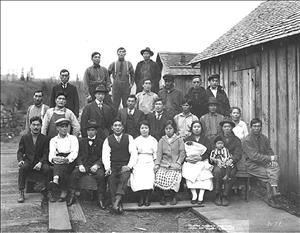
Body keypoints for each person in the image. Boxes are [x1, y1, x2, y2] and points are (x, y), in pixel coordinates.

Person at [242, 118, 281, 208]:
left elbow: (269, 150)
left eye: (259, 126)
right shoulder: (247, 140)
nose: (257, 128)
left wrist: (272, 160)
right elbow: (254, 156)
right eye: (254, 126)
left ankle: (273, 193)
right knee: (269, 175)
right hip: (252, 165)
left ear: (261, 127)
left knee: (276, 167)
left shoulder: (264, 138)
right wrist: (270, 158)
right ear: (251, 127)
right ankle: (271, 197)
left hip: (263, 163)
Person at [102, 119, 138, 214]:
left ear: (122, 127)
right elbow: (105, 155)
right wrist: (107, 168)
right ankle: (117, 203)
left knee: (124, 178)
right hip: (113, 165)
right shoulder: (108, 139)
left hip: (125, 165)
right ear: (112, 128)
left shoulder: (129, 138)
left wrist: (129, 166)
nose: (117, 127)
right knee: (111, 179)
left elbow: (134, 153)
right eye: (115, 125)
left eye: (119, 125)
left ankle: (116, 203)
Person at [67, 120, 106, 208]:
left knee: (101, 176)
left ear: (96, 131)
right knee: (74, 174)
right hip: (84, 165)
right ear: (86, 131)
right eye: (89, 130)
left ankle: (100, 198)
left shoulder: (101, 142)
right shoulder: (81, 141)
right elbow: (78, 154)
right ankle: (71, 196)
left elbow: (103, 156)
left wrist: (97, 165)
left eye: (93, 130)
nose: (90, 132)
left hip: (95, 166)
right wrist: (80, 165)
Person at [17, 116, 50, 203]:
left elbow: (46, 153)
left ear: (41, 126)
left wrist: (41, 162)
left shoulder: (45, 138)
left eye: (38, 125)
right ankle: (21, 191)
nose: (36, 127)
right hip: (28, 161)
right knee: (22, 168)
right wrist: (20, 160)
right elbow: (20, 151)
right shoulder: (25, 137)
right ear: (30, 126)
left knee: (47, 169)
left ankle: (46, 191)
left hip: (40, 161)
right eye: (34, 125)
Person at [154, 120, 186, 205]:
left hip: (175, 164)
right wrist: (157, 164)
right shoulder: (162, 140)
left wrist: (178, 163)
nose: (168, 130)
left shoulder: (179, 139)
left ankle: (174, 196)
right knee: (159, 174)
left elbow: (182, 153)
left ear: (174, 129)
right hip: (164, 164)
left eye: (170, 128)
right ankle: (162, 197)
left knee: (175, 176)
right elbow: (159, 153)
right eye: (166, 128)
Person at [182, 121, 213, 206]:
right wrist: (187, 158)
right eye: (194, 127)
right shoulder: (187, 139)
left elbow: (209, 151)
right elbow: (183, 151)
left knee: (204, 174)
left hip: (202, 160)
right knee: (189, 171)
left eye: (198, 127)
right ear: (192, 129)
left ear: (201, 128)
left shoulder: (206, 139)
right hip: (191, 161)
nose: (196, 129)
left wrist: (201, 158)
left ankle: (201, 195)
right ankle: (194, 195)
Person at [212, 118, 242, 206]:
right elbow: (213, 150)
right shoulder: (217, 138)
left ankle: (225, 195)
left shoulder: (236, 140)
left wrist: (232, 160)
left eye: (229, 127)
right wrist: (217, 160)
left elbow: (238, 153)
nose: (227, 128)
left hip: (230, 163)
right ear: (222, 128)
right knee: (217, 172)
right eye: (225, 126)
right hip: (219, 162)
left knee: (232, 173)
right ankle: (217, 195)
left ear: (232, 128)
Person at [48, 118, 79, 202]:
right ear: (57, 128)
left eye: (66, 126)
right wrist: (54, 159)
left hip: (70, 160)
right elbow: (52, 153)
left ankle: (57, 181)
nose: (64, 129)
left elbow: (74, 152)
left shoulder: (73, 138)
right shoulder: (54, 140)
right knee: (59, 164)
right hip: (58, 159)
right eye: (62, 127)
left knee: (63, 166)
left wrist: (67, 159)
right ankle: (62, 188)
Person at [130, 121, 157, 207]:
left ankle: (147, 198)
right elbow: (133, 153)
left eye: (146, 128)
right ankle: (141, 198)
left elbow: (156, 153)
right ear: (139, 129)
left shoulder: (153, 140)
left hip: (150, 160)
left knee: (149, 177)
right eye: (142, 128)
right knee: (138, 176)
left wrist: (156, 163)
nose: (144, 130)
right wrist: (132, 164)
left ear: (149, 129)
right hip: (139, 160)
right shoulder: (136, 140)